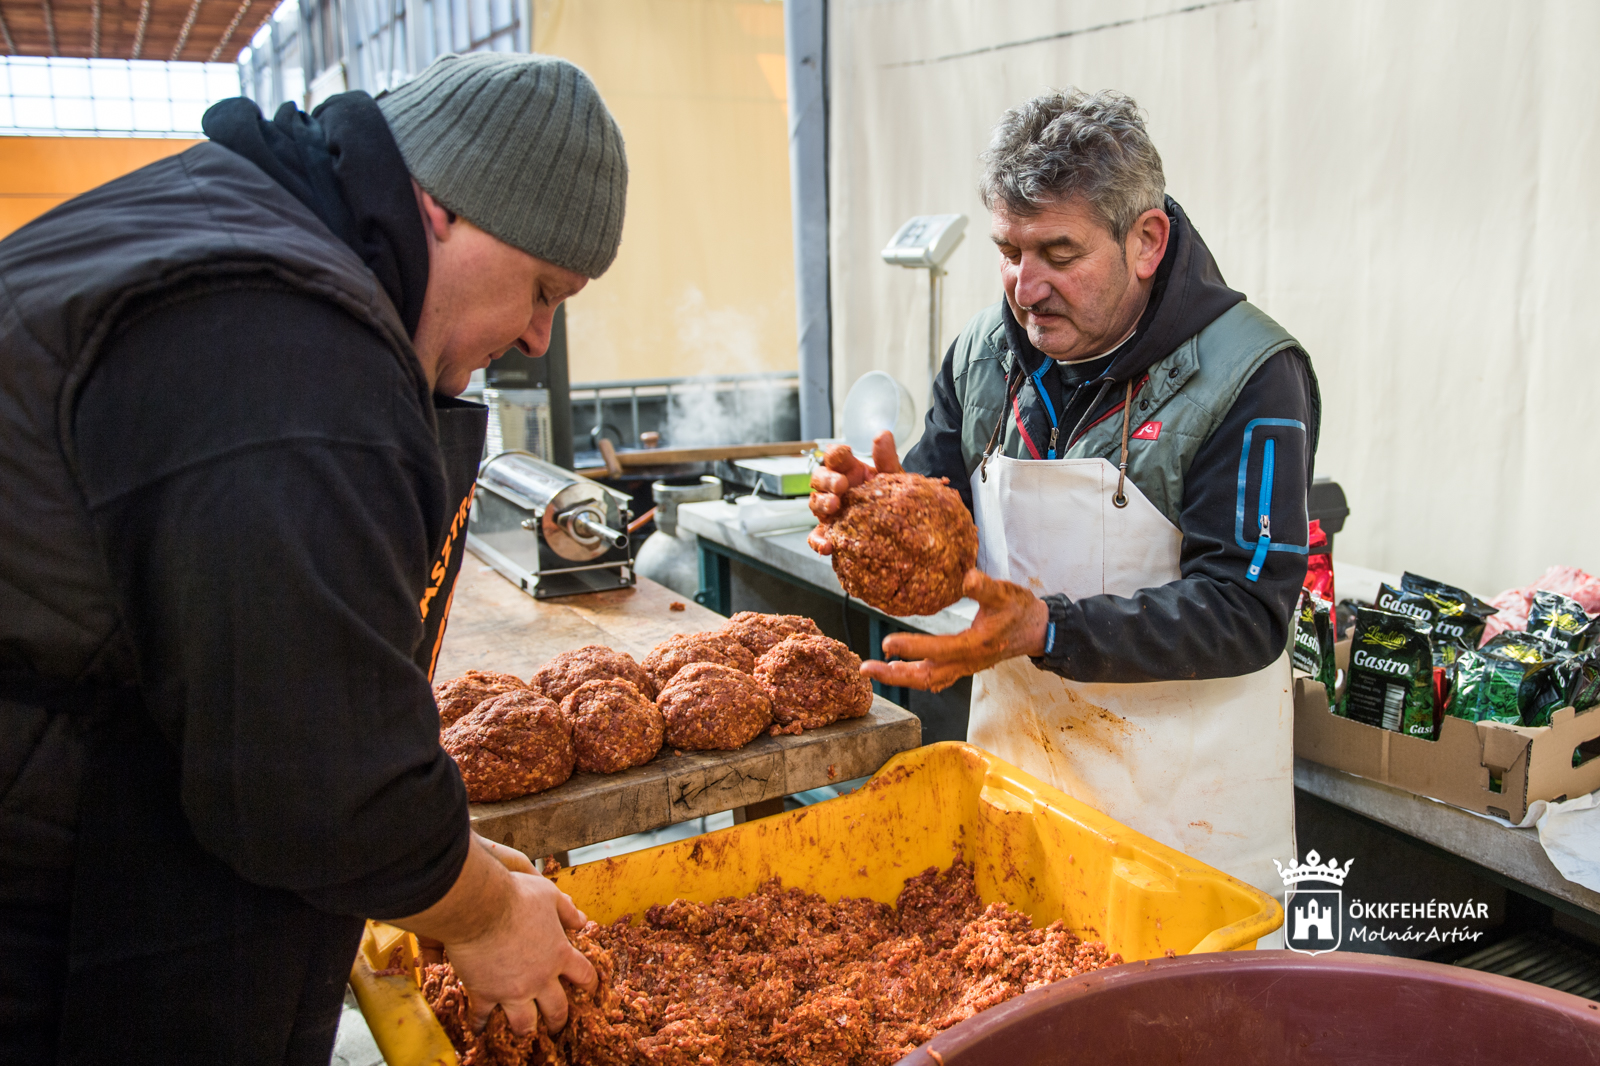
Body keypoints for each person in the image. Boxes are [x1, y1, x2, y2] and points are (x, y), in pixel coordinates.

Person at [0, 53, 625, 1062]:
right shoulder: (279, 332)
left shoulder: (247, 229)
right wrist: (478, 915)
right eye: (542, 289)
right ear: (444, 210)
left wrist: (444, 859)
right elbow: (312, 768)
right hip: (55, 929)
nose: (539, 337)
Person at [810, 89, 1319, 921]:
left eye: (1058, 251)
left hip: (1183, 830)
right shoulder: (983, 357)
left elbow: (1248, 609)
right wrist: (870, 516)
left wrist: (1049, 628)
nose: (1026, 285)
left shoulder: (1249, 373)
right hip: (1024, 790)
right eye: (1009, 250)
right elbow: (946, 564)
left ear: (1146, 240)